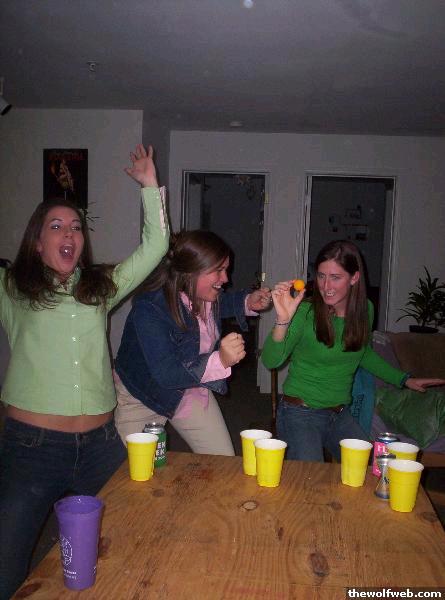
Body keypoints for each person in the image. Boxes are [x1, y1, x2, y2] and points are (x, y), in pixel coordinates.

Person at [0, 144, 169, 599]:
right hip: (32, 448)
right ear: (37, 242)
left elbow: (156, 246)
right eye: (56, 226)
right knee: (8, 562)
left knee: (124, 542)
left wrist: (149, 185)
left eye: (75, 227)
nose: (68, 233)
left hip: (100, 444)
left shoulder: (100, 287)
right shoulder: (11, 287)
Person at [261, 240, 445, 462]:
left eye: (335, 277)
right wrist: (283, 319)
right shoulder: (306, 312)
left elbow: (362, 353)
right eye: (321, 276)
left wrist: (404, 379)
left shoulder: (365, 309)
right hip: (300, 413)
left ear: (354, 278)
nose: (326, 286)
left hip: (339, 414)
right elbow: (270, 361)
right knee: (310, 479)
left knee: (370, 469)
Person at [114, 230, 272, 455]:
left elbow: (221, 303)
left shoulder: (202, 293)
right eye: (218, 270)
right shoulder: (149, 309)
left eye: (225, 269)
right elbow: (167, 374)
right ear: (190, 273)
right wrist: (220, 360)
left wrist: (247, 302)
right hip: (142, 396)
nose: (226, 279)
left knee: (222, 461)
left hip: (188, 389)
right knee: (139, 470)